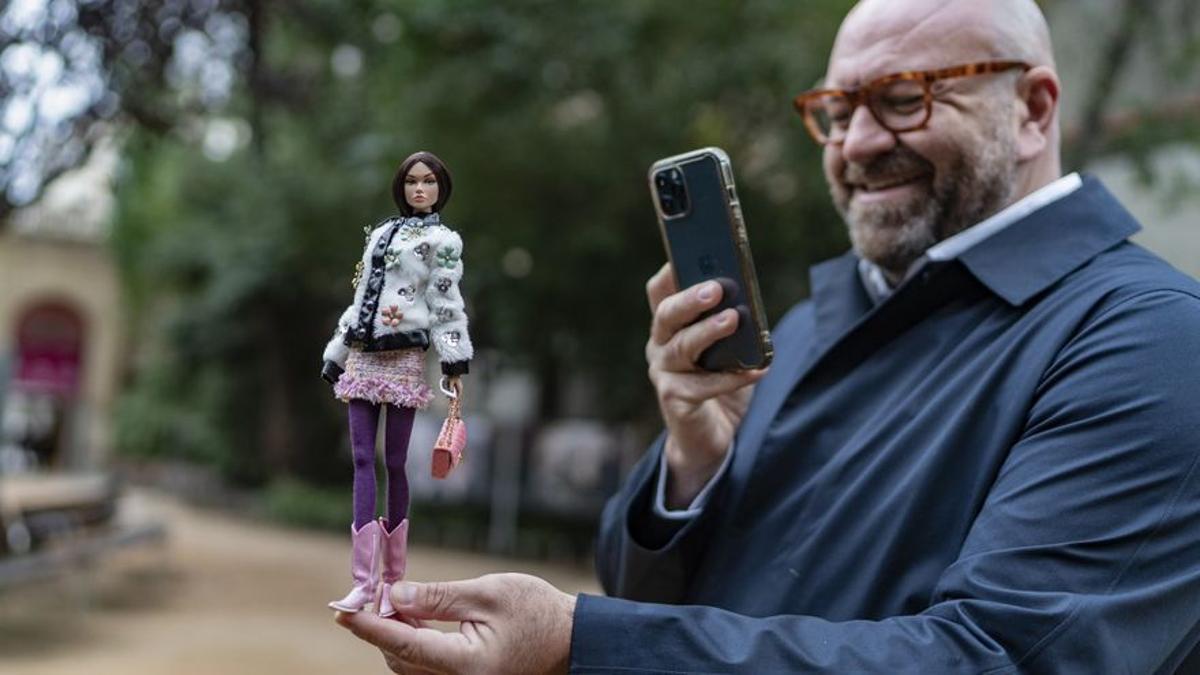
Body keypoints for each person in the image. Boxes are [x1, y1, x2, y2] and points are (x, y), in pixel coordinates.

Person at [335, 0, 1200, 672]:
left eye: (903, 101)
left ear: (1035, 109)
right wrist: (693, 461)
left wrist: (576, 643)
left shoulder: (1150, 341)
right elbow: (645, 590)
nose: (858, 144)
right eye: (836, 109)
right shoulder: (818, 316)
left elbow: (1004, 658)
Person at [323, 150, 473, 617]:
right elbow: (362, 296)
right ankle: (362, 582)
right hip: (365, 354)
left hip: (406, 353)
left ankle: (393, 582)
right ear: (401, 187)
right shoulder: (382, 233)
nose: (420, 189)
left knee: (395, 461)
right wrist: (338, 350)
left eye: (428, 181)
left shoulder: (444, 240)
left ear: (440, 188)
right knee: (362, 459)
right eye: (412, 181)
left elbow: (446, 301)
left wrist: (453, 357)